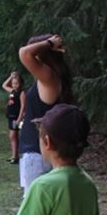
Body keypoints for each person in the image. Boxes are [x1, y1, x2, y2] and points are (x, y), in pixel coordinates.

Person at [18, 34, 74, 193]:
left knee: (34, 204)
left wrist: (49, 43)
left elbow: (24, 53)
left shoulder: (49, 77)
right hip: (40, 153)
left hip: (38, 155)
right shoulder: (50, 78)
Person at [2, 71, 26, 164]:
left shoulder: (22, 93)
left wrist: (19, 119)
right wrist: (10, 77)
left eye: (16, 83)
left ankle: (16, 156)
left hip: (17, 117)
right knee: (12, 137)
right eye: (13, 83)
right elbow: (4, 85)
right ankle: (14, 155)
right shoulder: (12, 91)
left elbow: (23, 106)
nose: (14, 85)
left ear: (20, 83)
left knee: (14, 135)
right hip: (11, 117)